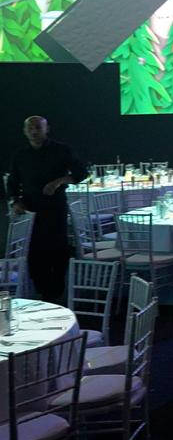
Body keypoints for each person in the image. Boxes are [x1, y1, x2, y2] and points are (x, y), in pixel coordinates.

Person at [3, 115, 87, 302]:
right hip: (30, 209)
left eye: (38, 128)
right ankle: (41, 290)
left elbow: (81, 173)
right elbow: (12, 183)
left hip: (55, 207)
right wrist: (15, 201)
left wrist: (59, 181)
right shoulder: (20, 155)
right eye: (30, 128)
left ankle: (56, 291)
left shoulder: (62, 150)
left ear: (46, 129)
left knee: (57, 248)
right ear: (25, 131)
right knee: (34, 250)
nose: (34, 132)